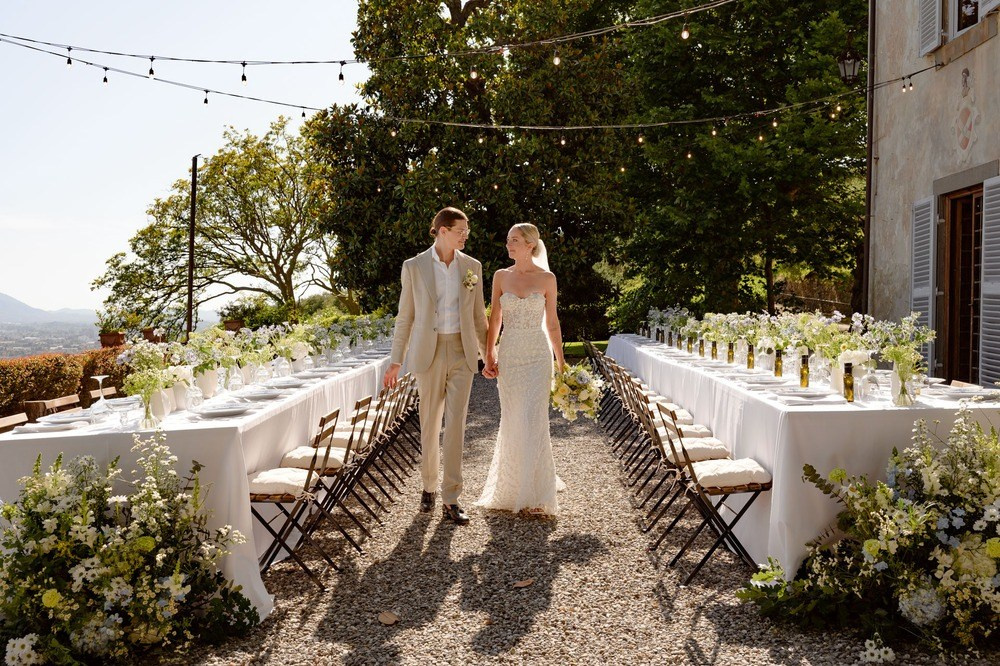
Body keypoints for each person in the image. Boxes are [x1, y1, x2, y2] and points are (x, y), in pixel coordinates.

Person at [383, 207, 490, 525]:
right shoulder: (414, 267)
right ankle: (428, 486)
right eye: (461, 229)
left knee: (456, 425)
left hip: (462, 351)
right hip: (427, 355)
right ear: (443, 230)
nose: (466, 234)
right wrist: (395, 361)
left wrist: (489, 355)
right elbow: (406, 317)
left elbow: (478, 317)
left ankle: (452, 498)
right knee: (430, 425)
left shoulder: (472, 267)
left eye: (467, 230)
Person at [476, 223, 565, 517]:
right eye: (507, 240)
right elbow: (495, 319)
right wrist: (488, 355)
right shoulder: (501, 276)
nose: (508, 245)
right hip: (511, 353)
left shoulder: (547, 278)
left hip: (539, 357)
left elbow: (552, 323)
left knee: (534, 417)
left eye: (514, 240)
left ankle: (538, 495)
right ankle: (513, 488)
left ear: (530, 244)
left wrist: (561, 362)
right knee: (514, 417)